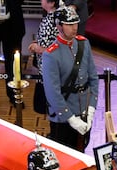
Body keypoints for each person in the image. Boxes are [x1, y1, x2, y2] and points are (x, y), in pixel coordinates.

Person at [42, 6, 99, 152]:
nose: (74, 28)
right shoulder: (50, 55)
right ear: (59, 25)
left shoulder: (83, 44)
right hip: (63, 119)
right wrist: (71, 119)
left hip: (84, 112)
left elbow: (93, 78)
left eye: (76, 23)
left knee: (82, 152)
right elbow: (53, 93)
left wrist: (91, 108)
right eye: (69, 24)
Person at [28, 0, 59, 114]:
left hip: (48, 69)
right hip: (48, 68)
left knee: (45, 106)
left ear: (51, 3)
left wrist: (36, 47)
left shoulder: (51, 20)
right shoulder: (54, 17)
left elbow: (49, 48)